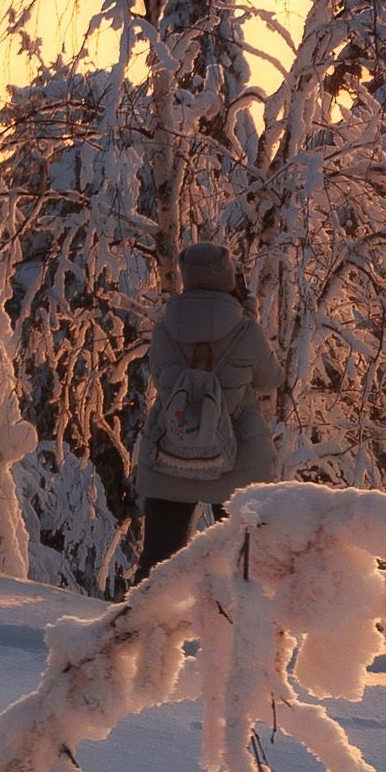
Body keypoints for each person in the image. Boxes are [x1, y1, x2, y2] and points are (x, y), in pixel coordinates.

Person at [130, 242, 280, 576]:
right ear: (229, 279)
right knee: (244, 562)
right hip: (237, 458)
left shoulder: (165, 328)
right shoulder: (245, 330)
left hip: (170, 449)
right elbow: (270, 379)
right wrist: (248, 321)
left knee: (157, 560)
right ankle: (236, 625)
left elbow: (158, 377)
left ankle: (142, 624)